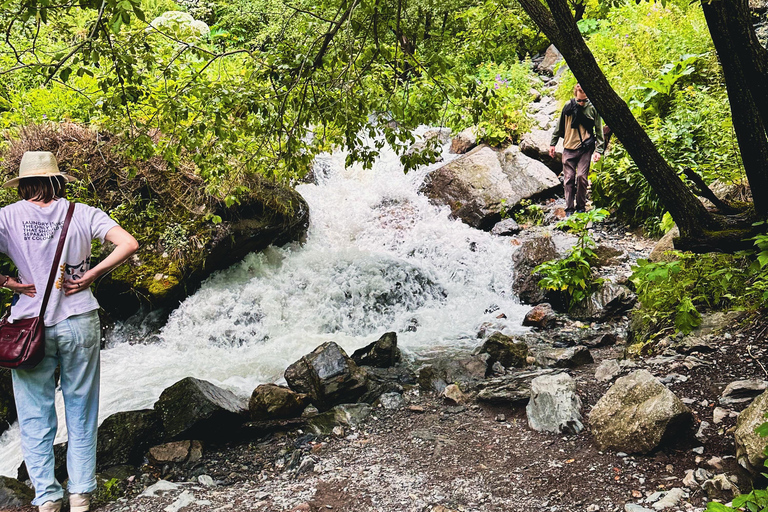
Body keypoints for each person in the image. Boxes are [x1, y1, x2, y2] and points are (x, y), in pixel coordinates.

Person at [0, 151, 139, 512]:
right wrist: (92, 275)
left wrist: (9, 282)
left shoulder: (8, 217)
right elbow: (128, 243)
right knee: (81, 408)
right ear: (56, 180)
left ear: (23, 183)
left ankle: (46, 497)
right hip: (79, 319)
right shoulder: (83, 213)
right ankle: (80, 495)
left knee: (34, 413)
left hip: (30, 326)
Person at [549, 84, 605, 215]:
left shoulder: (593, 109)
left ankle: (580, 207)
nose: (581, 103)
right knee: (568, 179)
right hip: (568, 148)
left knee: (581, 177)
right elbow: (558, 127)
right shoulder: (568, 107)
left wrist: (599, 151)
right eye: (579, 100)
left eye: (584, 100)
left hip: (585, 148)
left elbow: (599, 131)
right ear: (575, 97)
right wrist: (553, 144)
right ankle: (569, 209)